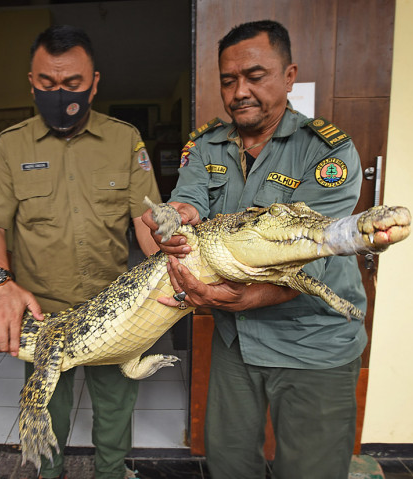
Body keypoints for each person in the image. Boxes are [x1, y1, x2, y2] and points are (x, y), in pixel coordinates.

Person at [143, 20, 367, 479]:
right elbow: (191, 201)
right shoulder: (206, 145)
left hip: (313, 341)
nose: (239, 91)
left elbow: (316, 253)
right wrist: (174, 219)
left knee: (311, 469)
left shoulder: (326, 153)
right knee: (228, 463)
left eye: (255, 75)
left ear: (289, 75)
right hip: (237, 339)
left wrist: (245, 297)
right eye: (228, 80)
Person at [0, 25, 161, 479]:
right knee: (45, 410)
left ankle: (112, 472)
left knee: (115, 405)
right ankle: (48, 474)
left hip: (113, 310)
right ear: (31, 82)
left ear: (94, 82)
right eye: (47, 84)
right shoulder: (9, 146)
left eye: (72, 84)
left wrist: (169, 268)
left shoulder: (124, 140)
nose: (60, 94)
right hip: (42, 315)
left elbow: (144, 221)